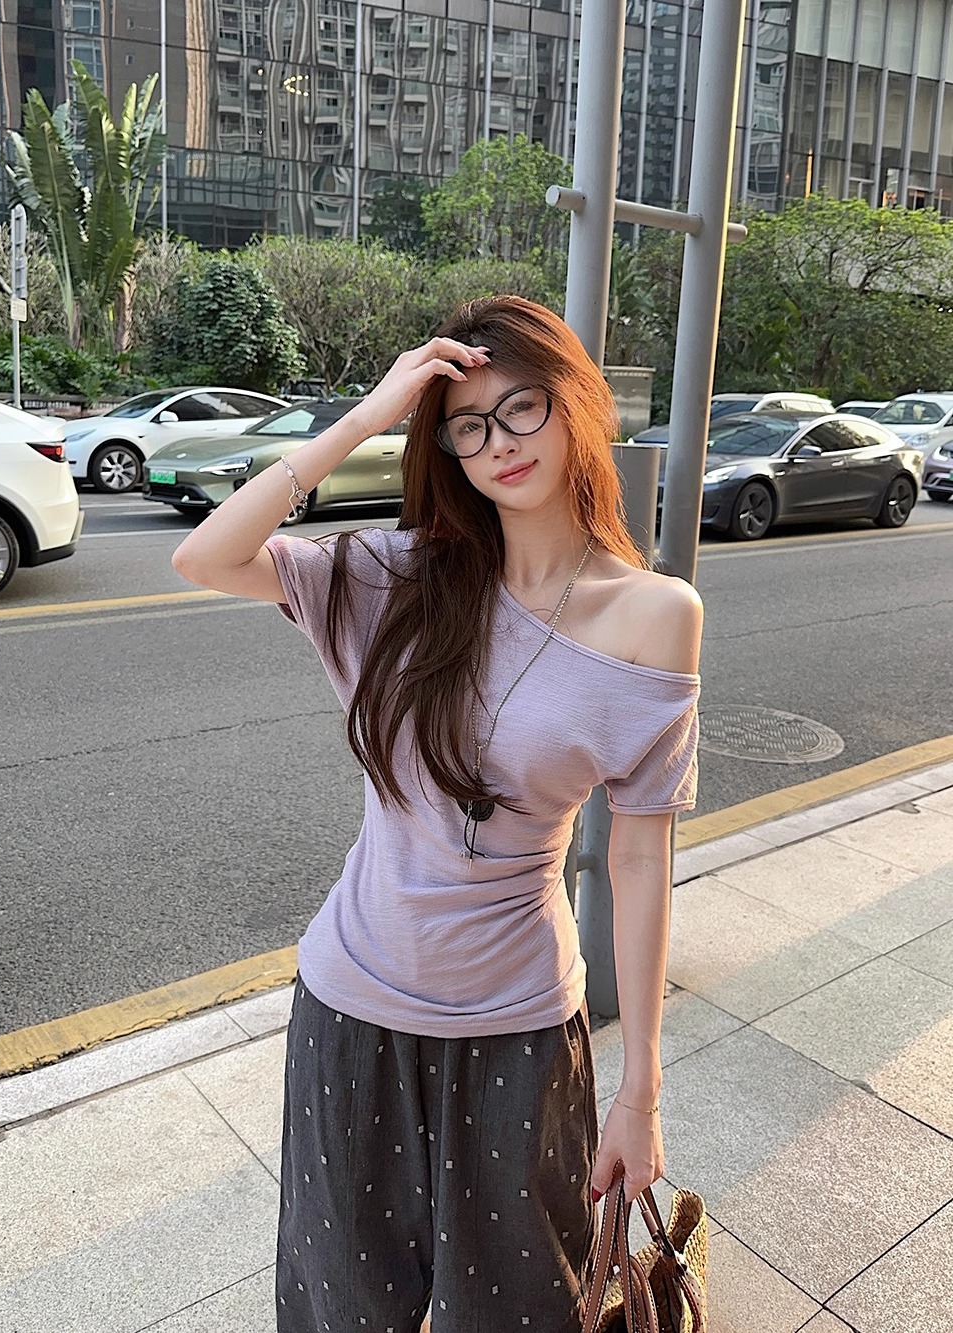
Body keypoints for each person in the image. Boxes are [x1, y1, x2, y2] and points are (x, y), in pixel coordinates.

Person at [172, 296, 703, 1333]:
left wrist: (639, 1090)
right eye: (467, 425)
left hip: (518, 1029)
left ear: (576, 403)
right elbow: (205, 557)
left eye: (521, 407)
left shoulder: (655, 614)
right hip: (349, 1010)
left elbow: (640, 857)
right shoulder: (398, 578)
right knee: (341, 1307)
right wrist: (367, 416)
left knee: (515, 1312)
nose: (498, 442)